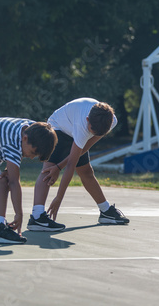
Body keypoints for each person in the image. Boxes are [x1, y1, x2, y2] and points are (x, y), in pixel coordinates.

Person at [29, 98, 129, 232]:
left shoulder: (110, 121)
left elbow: (84, 148)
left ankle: (105, 211)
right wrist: (59, 197)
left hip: (74, 132)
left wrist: (59, 167)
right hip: (58, 128)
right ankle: (37, 217)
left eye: (97, 134)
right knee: (48, 170)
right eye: (92, 130)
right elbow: (71, 164)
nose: (93, 134)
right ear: (88, 120)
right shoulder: (82, 125)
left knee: (86, 172)